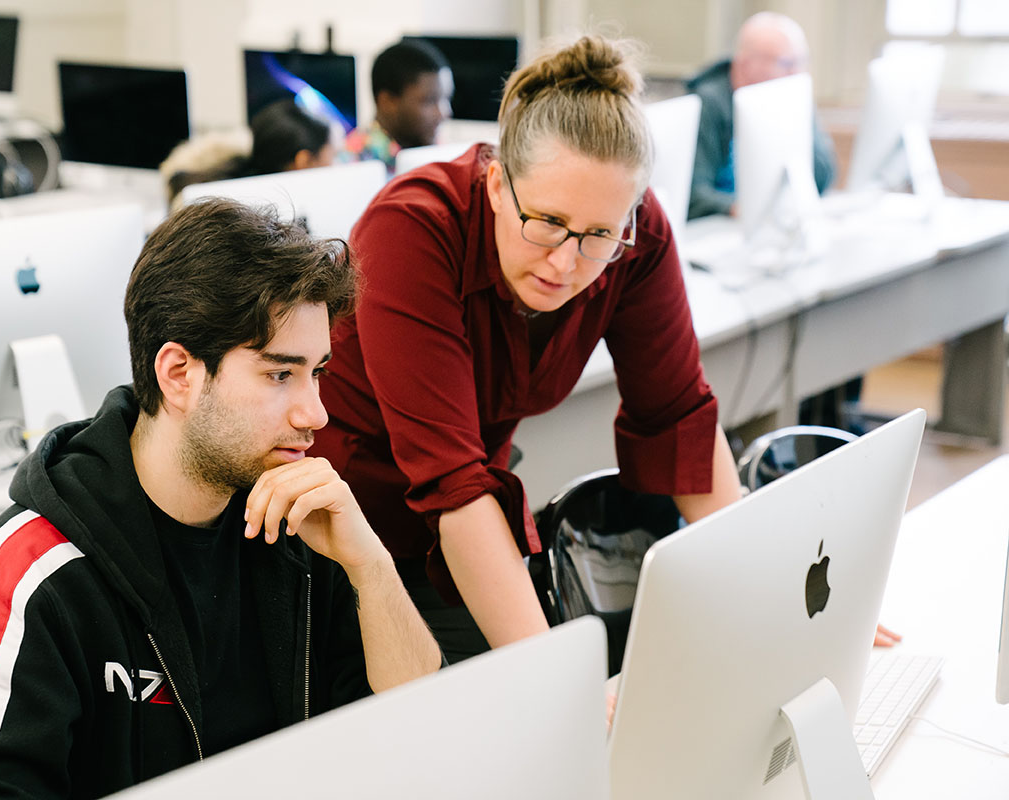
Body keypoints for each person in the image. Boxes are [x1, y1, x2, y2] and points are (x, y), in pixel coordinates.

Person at [0, 199, 441, 799]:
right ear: (179, 374)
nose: (315, 412)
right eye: (278, 374)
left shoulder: (300, 524)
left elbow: (417, 735)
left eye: (317, 372)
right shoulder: (32, 574)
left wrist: (371, 568)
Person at [310, 34, 744, 664]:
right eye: (545, 222)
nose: (567, 262)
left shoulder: (636, 232)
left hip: (464, 525)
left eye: (599, 234)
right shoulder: (411, 229)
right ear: (494, 184)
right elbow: (453, 483)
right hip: (344, 534)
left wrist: (772, 588)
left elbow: (677, 416)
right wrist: (557, 678)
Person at [686, 11, 836, 220]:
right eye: (786, 63)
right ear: (746, 65)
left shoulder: (788, 96)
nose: (796, 73)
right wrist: (742, 209)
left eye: (802, 62)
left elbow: (824, 177)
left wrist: (797, 117)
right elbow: (693, 195)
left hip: (768, 226)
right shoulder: (706, 104)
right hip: (719, 228)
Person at [161, 99, 338, 206]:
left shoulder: (236, 181)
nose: (335, 166)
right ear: (303, 161)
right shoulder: (263, 216)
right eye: (332, 157)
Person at [341, 40, 454, 171]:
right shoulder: (350, 164)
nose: (444, 112)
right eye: (429, 101)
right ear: (387, 101)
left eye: (447, 98)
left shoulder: (437, 151)